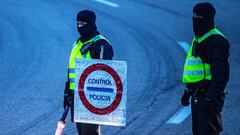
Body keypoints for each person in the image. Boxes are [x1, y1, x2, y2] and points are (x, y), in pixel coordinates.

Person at [181, 2, 229, 135]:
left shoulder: (217, 41)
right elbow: (197, 71)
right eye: (193, 16)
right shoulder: (198, 39)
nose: (194, 20)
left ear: (207, 19)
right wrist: (187, 91)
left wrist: (210, 99)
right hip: (197, 96)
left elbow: (222, 75)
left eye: (198, 17)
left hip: (208, 97)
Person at [63, 10, 114, 135]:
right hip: (75, 98)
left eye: (83, 24)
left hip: (92, 100)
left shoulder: (100, 44)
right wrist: (67, 93)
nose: (80, 27)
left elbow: (106, 77)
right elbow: (71, 73)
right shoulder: (77, 44)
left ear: (91, 23)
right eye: (78, 23)